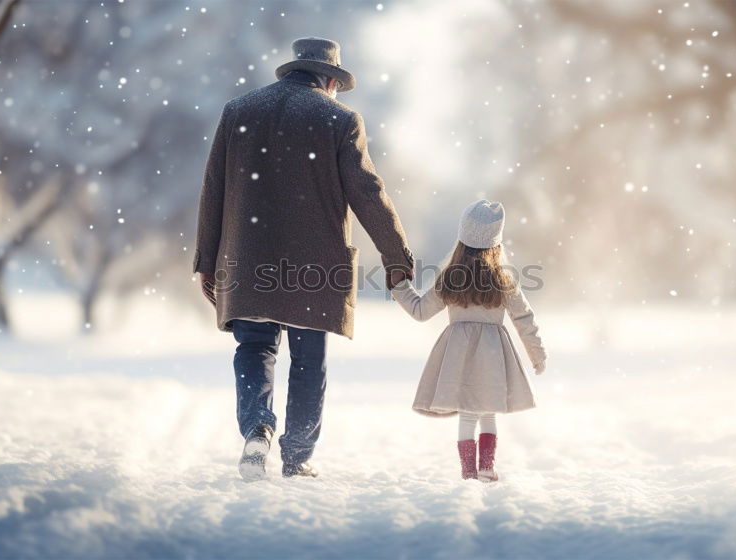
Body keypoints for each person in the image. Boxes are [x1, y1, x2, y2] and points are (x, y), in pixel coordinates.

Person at [194, 37, 414, 480]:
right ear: (331, 80)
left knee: (254, 347)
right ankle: (297, 456)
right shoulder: (340, 119)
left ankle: (257, 428)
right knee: (309, 357)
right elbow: (368, 194)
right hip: (314, 264)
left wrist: (205, 258)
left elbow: (212, 188)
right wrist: (396, 256)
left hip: (246, 258)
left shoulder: (239, 111)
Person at [390, 200, 546, 482]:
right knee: (487, 412)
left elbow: (420, 310)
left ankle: (468, 471)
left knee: (468, 414)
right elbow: (524, 318)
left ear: (461, 241)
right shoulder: (504, 280)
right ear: (496, 244)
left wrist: (400, 287)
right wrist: (537, 354)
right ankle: (486, 468)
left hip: (457, 354)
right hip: (493, 355)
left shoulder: (450, 277)